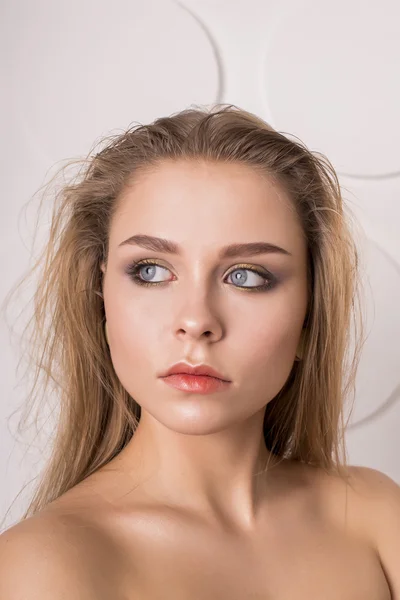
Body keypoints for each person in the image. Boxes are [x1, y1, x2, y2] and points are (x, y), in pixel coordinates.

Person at [0, 104, 399, 599]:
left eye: (248, 277)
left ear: (308, 317)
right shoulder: (43, 568)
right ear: (100, 299)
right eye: (150, 271)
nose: (196, 320)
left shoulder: (375, 515)